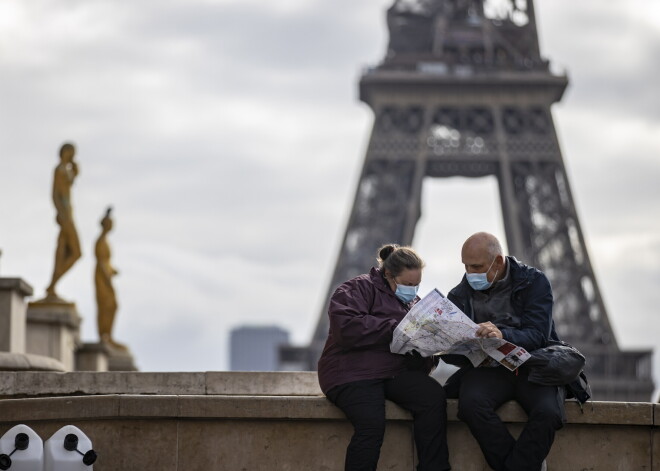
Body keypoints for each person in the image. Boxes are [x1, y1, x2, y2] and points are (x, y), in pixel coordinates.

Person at [318, 244, 450, 471]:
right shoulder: (356, 288)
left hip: (392, 373)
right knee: (371, 424)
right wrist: (396, 327)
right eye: (408, 284)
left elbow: (418, 359)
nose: (413, 290)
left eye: (417, 284)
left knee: (433, 398)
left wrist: (429, 350)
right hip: (352, 373)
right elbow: (346, 327)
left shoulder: (415, 304)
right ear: (389, 274)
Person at [443, 232, 563, 471]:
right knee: (470, 406)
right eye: (466, 266)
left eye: (477, 266)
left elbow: (539, 335)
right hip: (489, 369)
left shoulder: (534, 282)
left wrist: (502, 335)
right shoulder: (458, 295)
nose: (470, 274)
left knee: (549, 413)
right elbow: (453, 356)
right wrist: (444, 344)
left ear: (498, 261)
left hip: (531, 366)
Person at [46, 142, 82, 299]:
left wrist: (75, 168)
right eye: (71, 152)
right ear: (65, 152)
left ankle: (52, 285)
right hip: (65, 215)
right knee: (73, 252)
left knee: (65, 250)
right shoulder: (59, 170)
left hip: (69, 213)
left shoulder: (66, 171)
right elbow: (54, 194)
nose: (73, 155)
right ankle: (52, 285)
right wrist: (60, 213)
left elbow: (73, 179)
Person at [94, 207, 127, 351]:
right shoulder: (101, 241)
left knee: (111, 306)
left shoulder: (105, 241)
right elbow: (101, 263)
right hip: (102, 278)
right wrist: (108, 278)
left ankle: (108, 334)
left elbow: (106, 262)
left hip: (106, 276)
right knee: (108, 305)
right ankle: (105, 335)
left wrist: (113, 271)